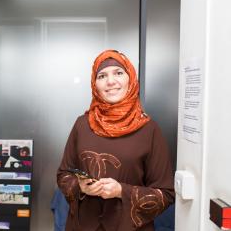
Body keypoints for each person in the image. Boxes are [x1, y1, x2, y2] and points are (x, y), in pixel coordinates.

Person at [57, 49, 175, 231]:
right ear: (94, 84)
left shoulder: (149, 130)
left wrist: (121, 191)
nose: (110, 81)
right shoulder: (82, 124)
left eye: (118, 73)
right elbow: (63, 174)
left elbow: (166, 194)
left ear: (131, 79)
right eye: (102, 75)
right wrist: (81, 187)